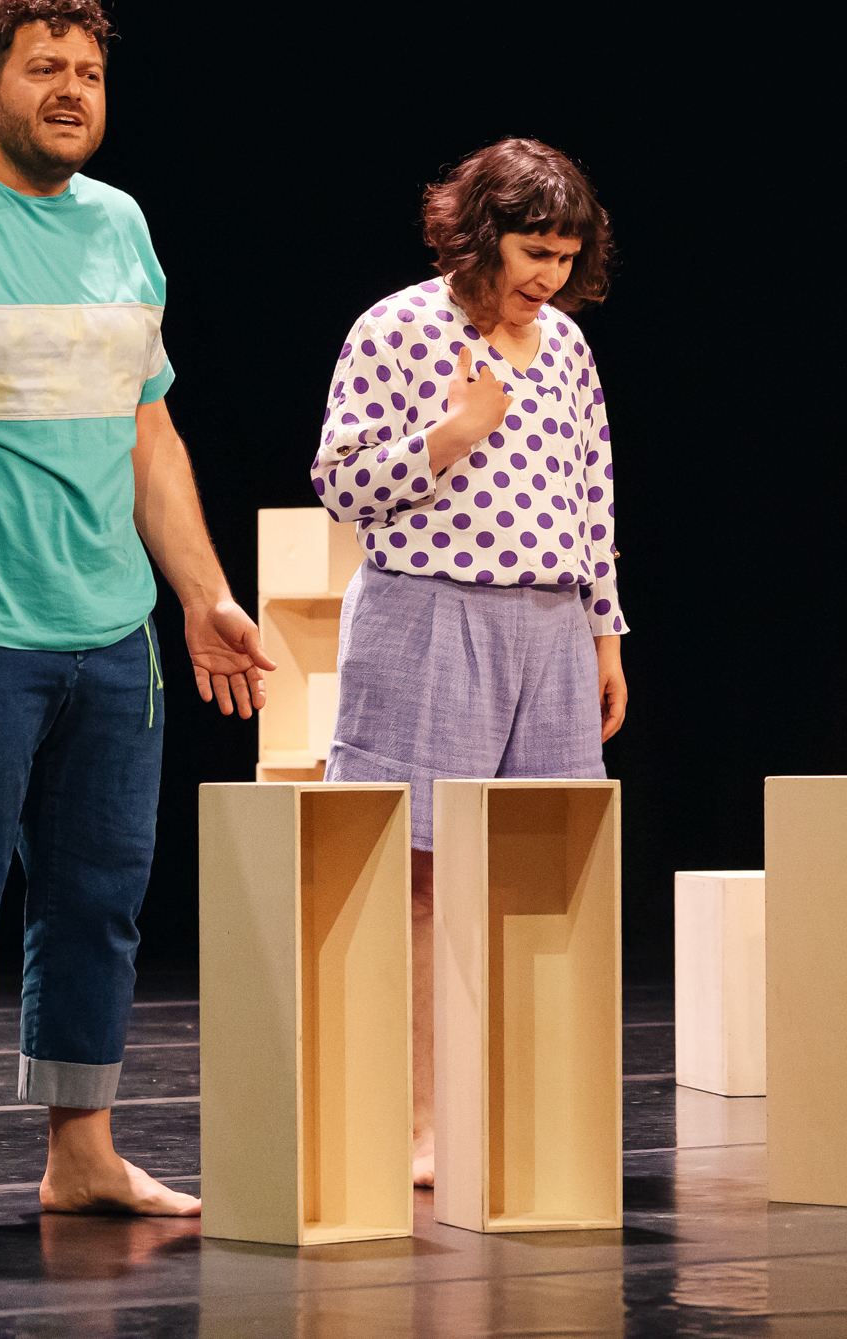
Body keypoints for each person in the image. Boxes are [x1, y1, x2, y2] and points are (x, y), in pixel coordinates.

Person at [0, 0, 274, 1234]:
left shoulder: (121, 224)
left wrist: (201, 594)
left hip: (110, 628)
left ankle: (82, 1154)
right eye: (44, 69)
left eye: (88, 73)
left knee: (99, 898)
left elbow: (149, 434)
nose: (71, 91)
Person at [311, 138, 627, 1186]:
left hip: (549, 623)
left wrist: (604, 632)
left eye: (565, 257)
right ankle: (418, 1120)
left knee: (545, 866)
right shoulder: (398, 327)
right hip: (428, 611)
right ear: (481, 237)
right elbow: (340, 484)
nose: (549, 277)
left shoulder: (567, 345)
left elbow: (593, 494)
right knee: (419, 875)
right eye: (535, 253)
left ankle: (525, 1108)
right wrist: (451, 435)